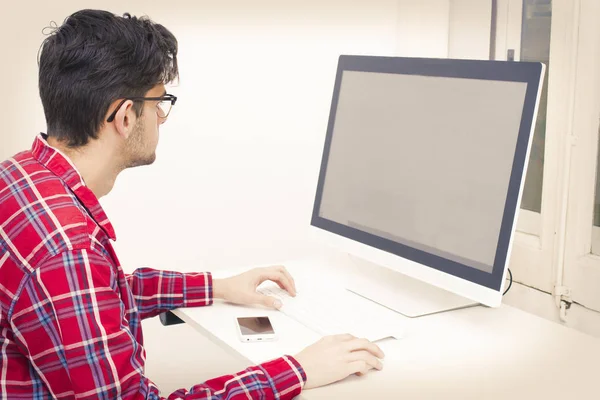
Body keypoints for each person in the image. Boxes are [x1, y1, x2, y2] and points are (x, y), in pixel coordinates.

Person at [0, 9, 384, 399]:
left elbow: (98, 299)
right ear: (126, 116)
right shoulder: (69, 252)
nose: (161, 118)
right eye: (158, 103)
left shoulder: (20, 176)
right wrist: (298, 371)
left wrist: (217, 287)